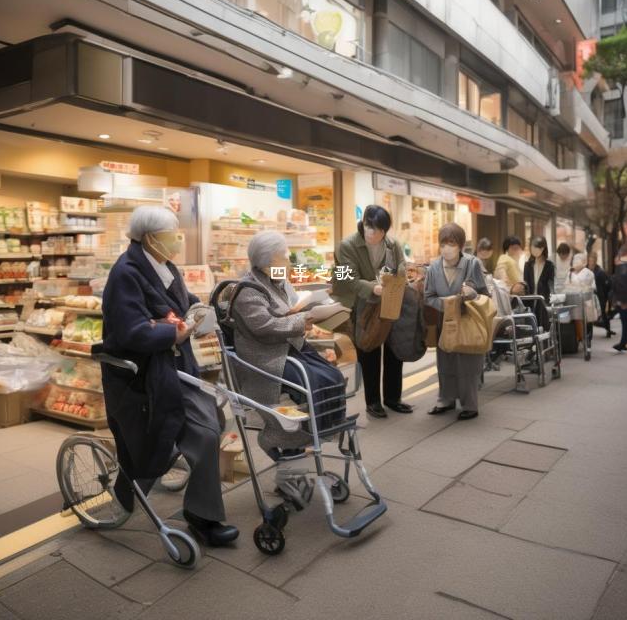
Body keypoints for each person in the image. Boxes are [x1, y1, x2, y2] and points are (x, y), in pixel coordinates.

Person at [101, 206, 238, 546]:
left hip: (174, 367)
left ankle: (143, 485)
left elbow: (185, 302)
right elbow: (131, 330)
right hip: (145, 375)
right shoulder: (125, 274)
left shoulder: (165, 266)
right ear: (149, 238)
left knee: (214, 419)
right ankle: (202, 515)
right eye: (171, 234)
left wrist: (200, 313)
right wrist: (170, 334)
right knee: (204, 432)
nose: (177, 240)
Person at [230, 231, 346, 448]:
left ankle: (324, 429)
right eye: (284, 257)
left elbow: (294, 307)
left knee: (333, 375)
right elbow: (264, 326)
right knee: (313, 381)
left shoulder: (280, 281)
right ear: (267, 263)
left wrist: (314, 308)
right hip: (266, 355)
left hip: (289, 348)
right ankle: (302, 434)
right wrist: (304, 319)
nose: (289, 262)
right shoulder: (248, 290)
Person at [332, 205, 411, 419]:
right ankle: (373, 402)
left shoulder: (392, 244)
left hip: (389, 303)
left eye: (377, 230)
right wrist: (373, 288)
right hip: (361, 306)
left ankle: (394, 398)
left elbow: (402, 266)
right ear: (364, 222)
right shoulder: (345, 245)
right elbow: (348, 278)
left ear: (385, 231)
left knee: (394, 351)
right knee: (369, 351)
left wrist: (395, 277)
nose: (371, 233)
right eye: (368, 227)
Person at [425, 223, 489, 421]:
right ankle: (446, 399)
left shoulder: (472, 264)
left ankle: (470, 405)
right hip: (445, 322)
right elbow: (428, 296)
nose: (447, 248)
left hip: (468, 321)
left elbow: (485, 294)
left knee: (468, 363)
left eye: (451, 243)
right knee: (445, 362)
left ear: (460, 245)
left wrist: (472, 294)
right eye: (443, 243)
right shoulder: (434, 267)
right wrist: (447, 304)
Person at [523, 236, 555, 330]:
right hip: (530, 300)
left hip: (544, 300)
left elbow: (551, 284)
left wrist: (552, 299)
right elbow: (526, 283)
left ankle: (544, 343)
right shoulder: (528, 265)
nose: (535, 250)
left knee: (544, 326)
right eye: (533, 247)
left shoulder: (549, 266)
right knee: (531, 326)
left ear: (543, 248)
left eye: (538, 247)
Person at [567, 253, 597, 348]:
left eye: (578, 260)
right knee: (576, 320)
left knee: (587, 320)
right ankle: (579, 338)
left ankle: (588, 338)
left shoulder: (589, 273)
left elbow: (592, 286)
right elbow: (566, 285)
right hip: (574, 301)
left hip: (586, 300)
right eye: (575, 260)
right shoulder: (570, 273)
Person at [588, 251, 615, 338]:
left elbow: (607, 285)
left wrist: (607, 298)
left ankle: (608, 330)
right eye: (589, 261)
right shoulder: (586, 270)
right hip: (589, 296)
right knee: (590, 315)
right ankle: (589, 333)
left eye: (592, 261)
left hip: (600, 296)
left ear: (595, 261)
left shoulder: (600, 272)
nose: (591, 262)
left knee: (603, 314)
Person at [611, 241, 627, 352]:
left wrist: (623, 301)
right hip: (623, 298)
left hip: (625, 299)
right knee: (625, 320)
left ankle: (624, 342)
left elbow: (623, 284)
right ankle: (624, 341)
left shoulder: (624, 267)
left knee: (625, 320)